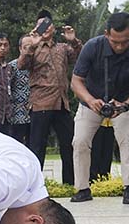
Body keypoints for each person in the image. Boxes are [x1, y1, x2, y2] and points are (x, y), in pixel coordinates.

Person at [69, 12, 129, 205]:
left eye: (125, 42)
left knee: (127, 138)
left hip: (123, 102)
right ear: (106, 34)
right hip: (91, 101)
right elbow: (76, 81)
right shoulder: (91, 47)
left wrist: (125, 105)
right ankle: (82, 188)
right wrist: (90, 99)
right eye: (115, 42)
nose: (120, 46)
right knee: (79, 141)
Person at [17, 10, 81, 185]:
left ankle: (70, 183)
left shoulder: (62, 48)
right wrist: (32, 46)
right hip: (40, 104)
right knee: (37, 147)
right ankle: (34, 186)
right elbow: (21, 65)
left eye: (47, 24)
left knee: (69, 144)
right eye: (40, 25)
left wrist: (73, 40)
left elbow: (79, 56)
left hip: (62, 103)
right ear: (36, 28)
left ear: (53, 27)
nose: (44, 28)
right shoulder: (33, 47)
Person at [7, 36, 32, 146]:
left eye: (31, 47)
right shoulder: (11, 67)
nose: (28, 50)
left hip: (34, 114)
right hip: (16, 115)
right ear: (20, 48)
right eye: (25, 47)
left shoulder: (37, 66)